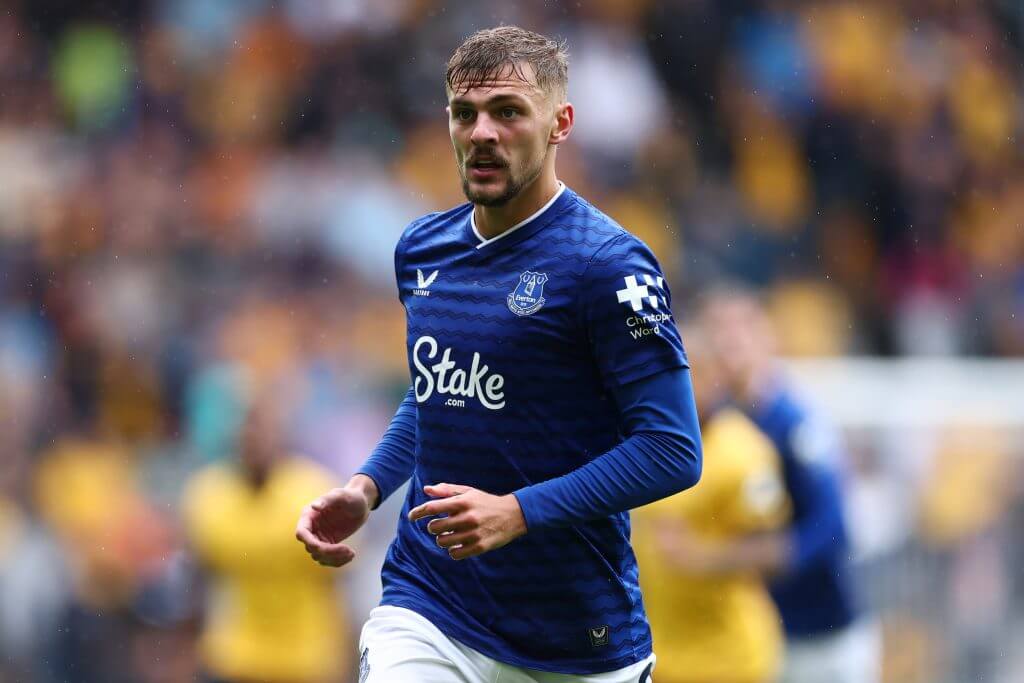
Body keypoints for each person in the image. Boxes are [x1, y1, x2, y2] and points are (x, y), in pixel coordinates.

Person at [295, 26, 702, 683]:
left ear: (559, 123)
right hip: (431, 606)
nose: (482, 132)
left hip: (576, 637)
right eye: (465, 113)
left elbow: (671, 448)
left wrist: (519, 511)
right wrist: (367, 487)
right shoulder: (422, 249)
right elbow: (438, 391)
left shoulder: (608, 264)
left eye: (507, 112)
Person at [697, 289, 879, 683]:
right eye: (719, 330)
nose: (730, 341)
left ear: (766, 336)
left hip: (824, 639)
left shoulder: (795, 422)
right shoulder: (711, 426)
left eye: (741, 327)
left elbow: (833, 529)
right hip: (758, 639)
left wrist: (719, 558)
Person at [632, 327, 790, 683]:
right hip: (661, 654)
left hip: (729, 661)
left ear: (715, 375)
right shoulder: (644, 443)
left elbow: (776, 551)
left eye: (691, 371)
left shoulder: (743, 452)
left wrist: (703, 557)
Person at [183, 396, 349, 683]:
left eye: (262, 432)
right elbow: (200, 577)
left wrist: (344, 656)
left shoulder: (312, 492)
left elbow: (337, 581)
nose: (254, 442)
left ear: (281, 437)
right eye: (247, 432)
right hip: (236, 653)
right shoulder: (210, 495)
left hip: (305, 656)